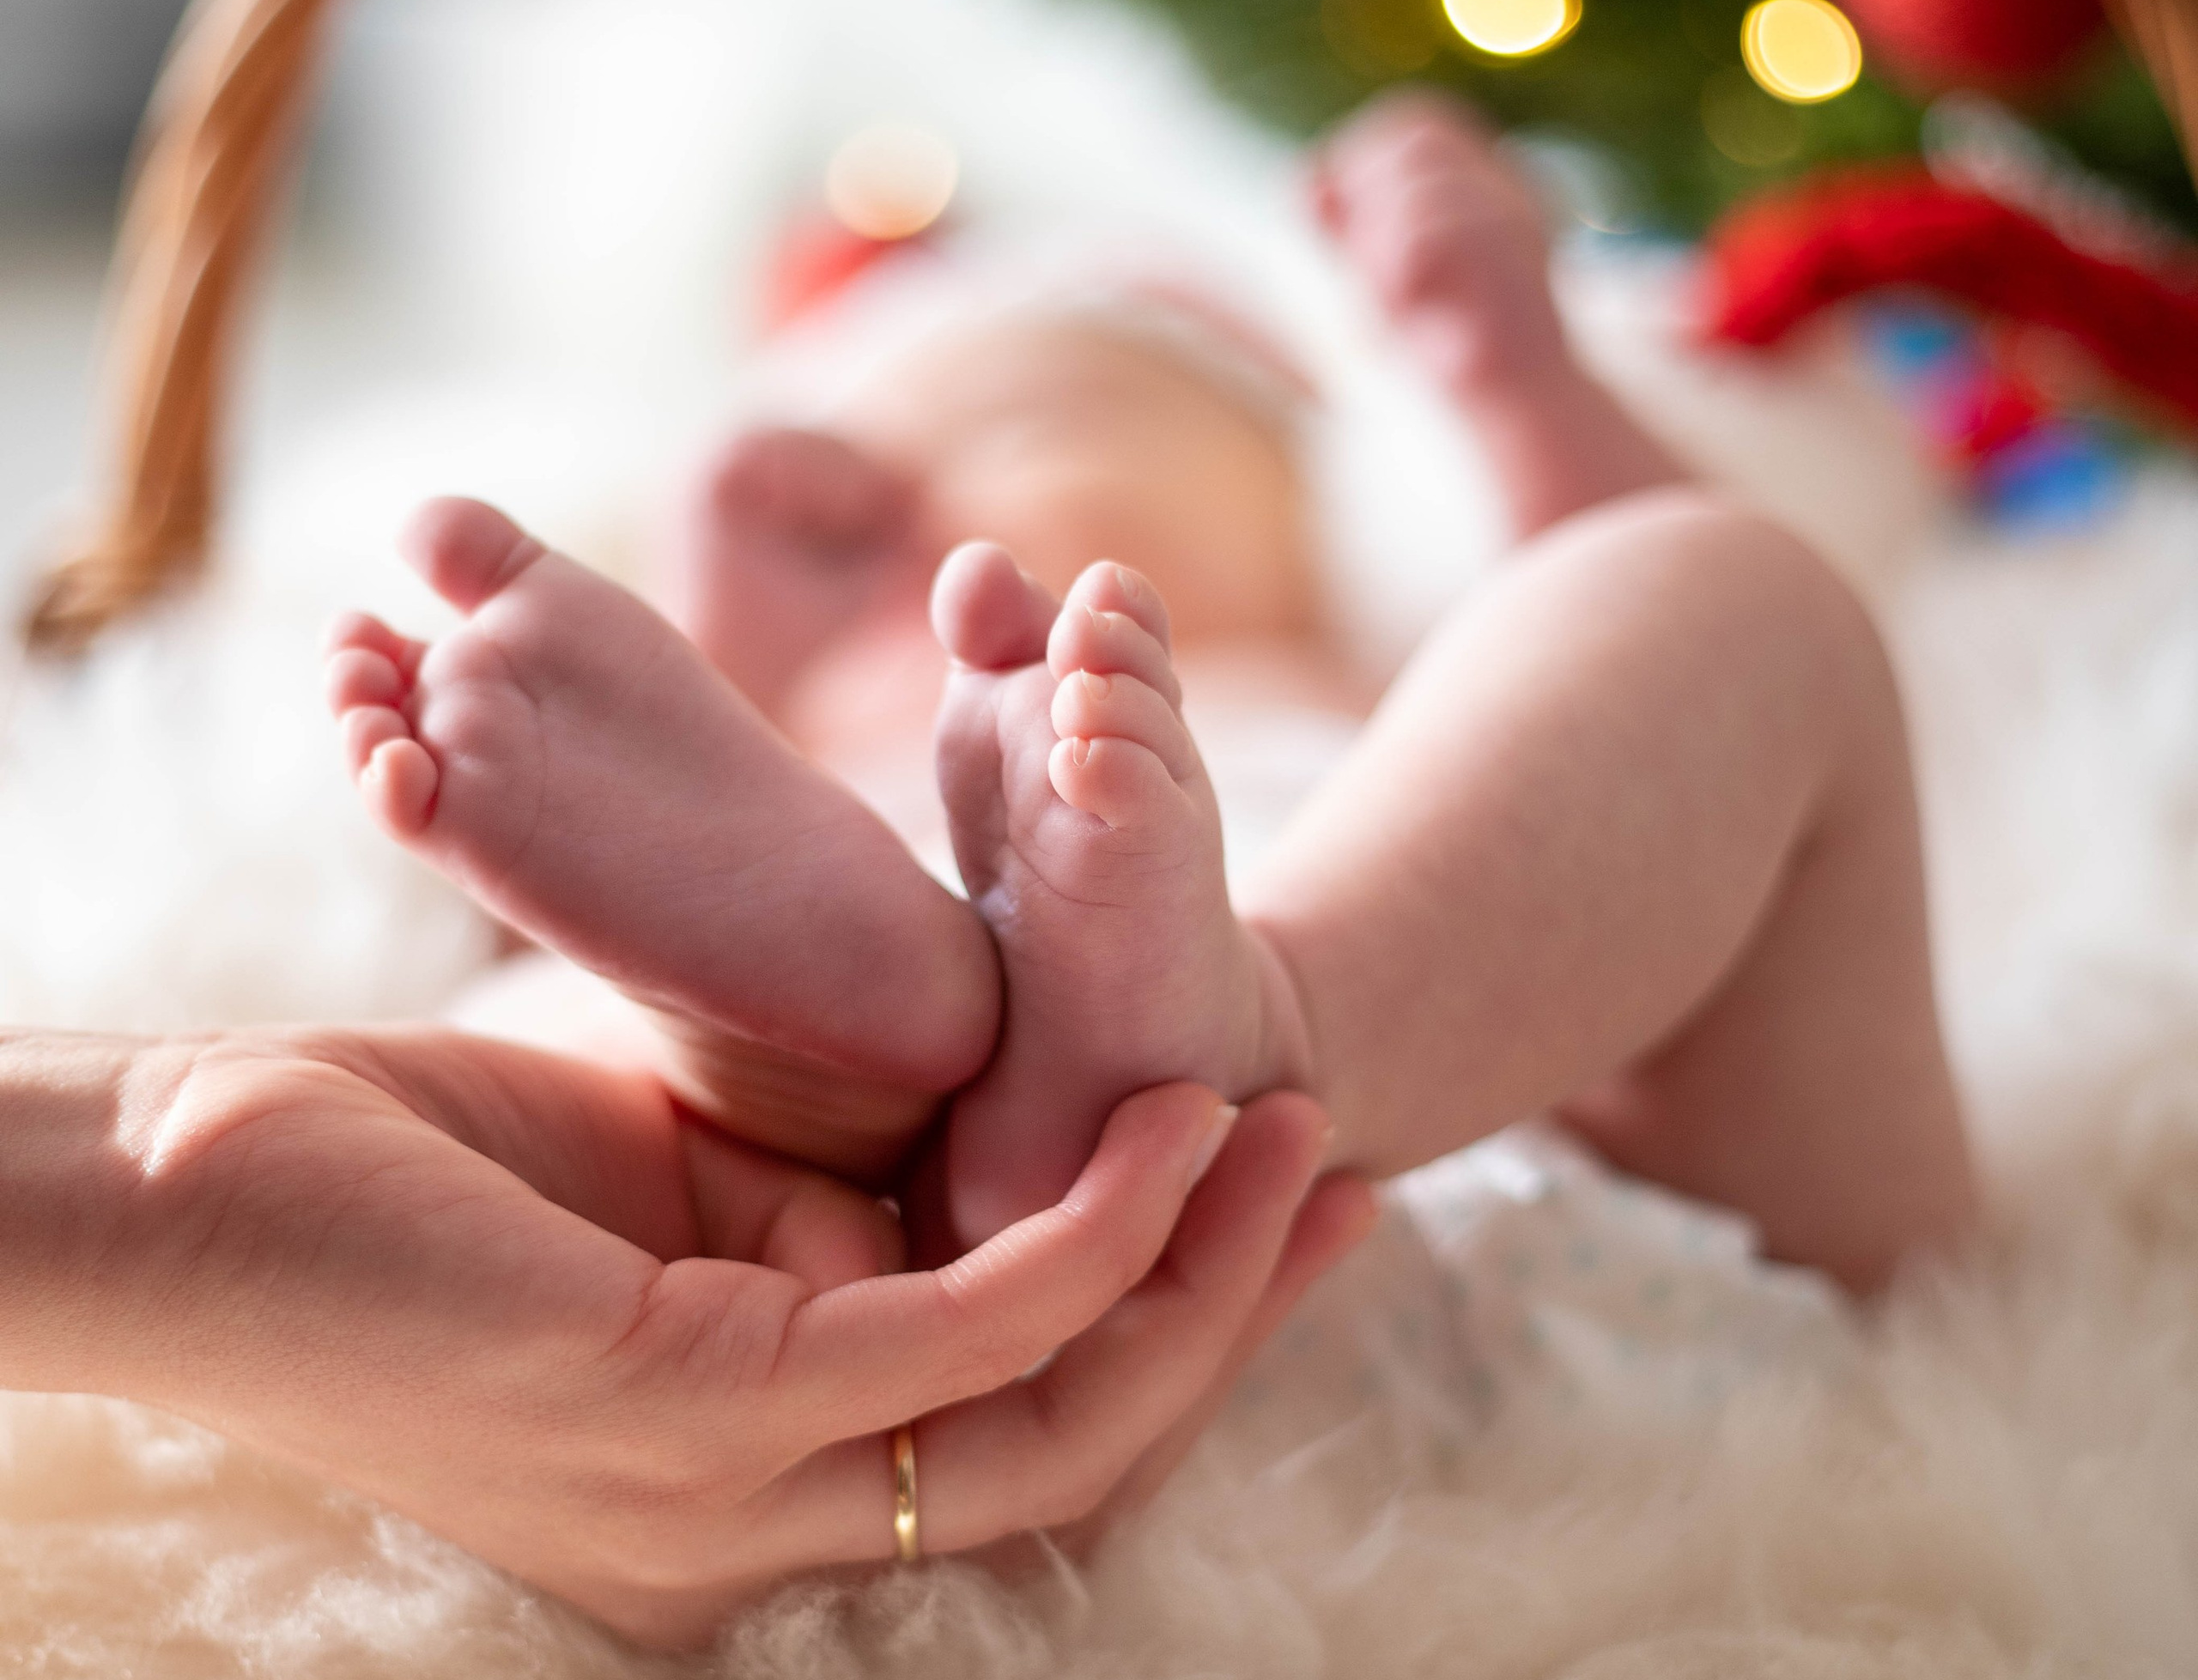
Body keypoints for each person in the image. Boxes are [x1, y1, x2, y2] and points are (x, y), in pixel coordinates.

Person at [326, 92, 1976, 1309]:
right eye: (835, 509)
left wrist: (1512, 380)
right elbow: (501, 926)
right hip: (863, 1283)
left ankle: (1247, 1026)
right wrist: (724, 667)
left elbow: (1618, 711)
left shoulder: (1383, 701)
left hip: (1469, 1157)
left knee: (1719, 599)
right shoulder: (794, 785)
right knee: (567, 1028)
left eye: (1011, 427)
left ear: (1290, 501)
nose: (891, 505)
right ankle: (824, 1060)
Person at [0, 1022, 1363, 1649]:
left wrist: (169, 1169)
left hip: (723, 1151)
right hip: (718, 1143)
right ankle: (1225, 1005)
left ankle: (1238, 998)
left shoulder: (1283, 683)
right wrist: (161, 1173)